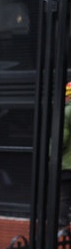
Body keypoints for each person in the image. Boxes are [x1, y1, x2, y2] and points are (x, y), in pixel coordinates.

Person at [60, 81, 71, 230]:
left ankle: (61, 226)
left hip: (67, 164)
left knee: (63, 197)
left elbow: (61, 139)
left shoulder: (67, 111)